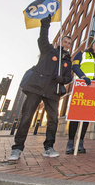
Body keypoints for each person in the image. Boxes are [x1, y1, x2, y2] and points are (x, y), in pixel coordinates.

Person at [8, 15, 72, 160]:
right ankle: (17, 148)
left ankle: (48, 147)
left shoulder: (68, 61)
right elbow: (43, 39)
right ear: (61, 42)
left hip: (53, 92)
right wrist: (45, 26)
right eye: (65, 41)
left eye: (69, 43)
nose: (67, 44)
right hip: (36, 87)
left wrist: (62, 79)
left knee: (53, 120)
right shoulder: (48, 51)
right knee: (26, 117)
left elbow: (69, 78)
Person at [65, 38, 95, 154]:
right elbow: (75, 66)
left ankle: (80, 142)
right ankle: (70, 142)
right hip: (82, 86)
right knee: (75, 116)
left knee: (87, 117)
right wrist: (82, 76)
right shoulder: (82, 54)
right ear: (92, 44)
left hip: (94, 89)